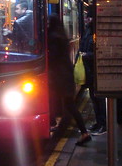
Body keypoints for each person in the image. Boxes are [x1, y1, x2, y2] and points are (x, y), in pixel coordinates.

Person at [48, 14, 91, 146]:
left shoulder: (53, 37)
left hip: (59, 78)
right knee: (63, 103)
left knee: (68, 105)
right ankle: (54, 124)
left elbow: (53, 58)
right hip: (65, 77)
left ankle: (84, 133)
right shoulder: (61, 36)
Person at [79, 10, 107, 136]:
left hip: (96, 70)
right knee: (94, 98)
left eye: (89, 17)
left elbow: (100, 51)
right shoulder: (88, 31)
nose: (87, 19)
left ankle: (103, 124)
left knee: (99, 98)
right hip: (89, 70)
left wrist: (86, 55)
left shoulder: (98, 32)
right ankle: (98, 122)